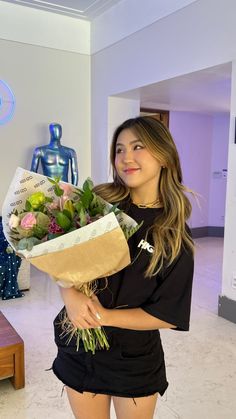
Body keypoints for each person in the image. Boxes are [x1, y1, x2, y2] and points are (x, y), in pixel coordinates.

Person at [52, 116, 194, 419]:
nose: (125, 157)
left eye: (137, 147)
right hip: (78, 344)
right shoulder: (99, 203)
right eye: (119, 149)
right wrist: (70, 296)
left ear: (164, 155)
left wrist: (103, 316)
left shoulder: (173, 233)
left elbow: (166, 314)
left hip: (133, 358)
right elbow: (62, 260)